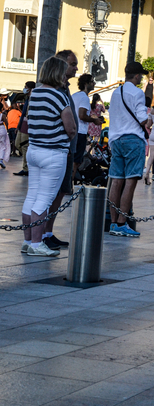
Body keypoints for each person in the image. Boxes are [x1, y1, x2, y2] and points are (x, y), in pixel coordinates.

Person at [21, 56, 77, 256]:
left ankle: (27, 241)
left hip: (34, 150)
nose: (65, 77)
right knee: (44, 199)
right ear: (56, 73)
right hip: (53, 152)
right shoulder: (59, 95)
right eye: (63, 72)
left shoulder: (34, 93)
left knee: (32, 196)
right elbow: (70, 128)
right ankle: (37, 244)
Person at [43, 50, 79, 251]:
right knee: (52, 192)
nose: (76, 68)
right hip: (59, 148)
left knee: (61, 192)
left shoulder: (65, 87)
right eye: (72, 64)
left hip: (66, 149)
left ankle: (48, 231)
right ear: (61, 64)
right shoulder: (55, 89)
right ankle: (42, 233)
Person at [108, 62, 150, 238]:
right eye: (140, 75)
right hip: (132, 139)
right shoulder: (138, 93)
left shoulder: (116, 92)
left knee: (116, 181)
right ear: (137, 76)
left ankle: (112, 222)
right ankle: (122, 222)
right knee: (130, 182)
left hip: (115, 139)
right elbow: (143, 119)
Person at [72, 74, 103, 179]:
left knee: (70, 159)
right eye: (92, 81)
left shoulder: (75, 95)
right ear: (86, 84)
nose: (94, 83)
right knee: (76, 161)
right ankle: (69, 184)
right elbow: (82, 116)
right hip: (80, 132)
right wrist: (94, 120)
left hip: (71, 130)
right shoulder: (84, 98)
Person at [13, 81, 35, 176]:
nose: (24, 88)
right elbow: (23, 114)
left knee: (25, 146)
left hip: (28, 124)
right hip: (23, 124)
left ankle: (26, 168)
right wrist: (19, 126)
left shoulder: (33, 99)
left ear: (30, 89)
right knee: (18, 144)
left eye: (25, 87)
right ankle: (29, 162)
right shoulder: (27, 98)